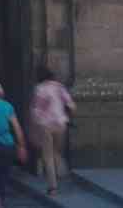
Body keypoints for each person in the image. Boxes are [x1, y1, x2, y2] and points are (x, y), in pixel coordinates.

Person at [30, 67, 76, 197]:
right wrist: (67, 116)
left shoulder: (40, 89)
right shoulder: (60, 87)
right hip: (61, 124)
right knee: (56, 152)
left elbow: (36, 110)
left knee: (48, 156)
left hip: (46, 125)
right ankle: (61, 170)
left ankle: (53, 187)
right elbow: (71, 105)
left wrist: (34, 125)